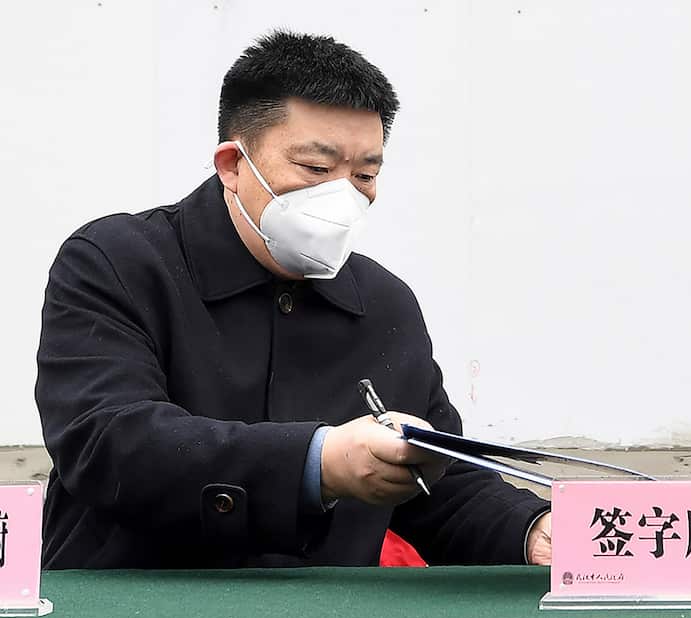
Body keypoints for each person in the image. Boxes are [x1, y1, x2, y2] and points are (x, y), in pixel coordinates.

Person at [36, 31, 551, 569]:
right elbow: (109, 442)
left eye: (366, 174)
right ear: (233, 164)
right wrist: (318, 463)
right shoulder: (117, 262)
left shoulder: (384, 304)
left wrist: (531, 529)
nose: (343, 194)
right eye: (315, 169)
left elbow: (439, 482)